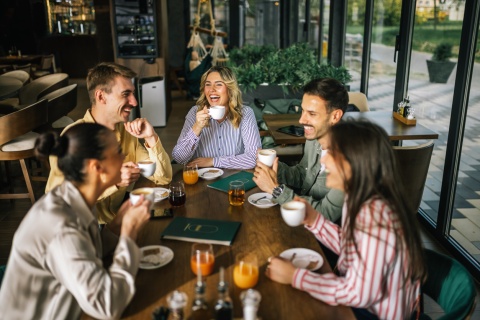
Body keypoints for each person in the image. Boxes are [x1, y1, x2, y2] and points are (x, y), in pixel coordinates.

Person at [266, 121, 426, 320]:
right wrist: (314, 219)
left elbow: (359, 294)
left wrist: (296, 277)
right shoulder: (360, 195)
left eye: (331, 152)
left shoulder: (376, 215)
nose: (324, 161)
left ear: (353, 162)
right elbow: (355, 245)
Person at [0, 123, 151, 319]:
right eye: (118, 152)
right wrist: (128, 233)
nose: (124, 157)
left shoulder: (74, 196)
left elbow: (82, 249)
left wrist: (115, 227)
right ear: (97, 167)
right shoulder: (61, 225)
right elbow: (108, 306)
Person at [46, 62, 172, 224]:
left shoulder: (126, 131)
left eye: (133, 94)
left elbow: (163, 178)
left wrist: (151, 137)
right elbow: (60, 203)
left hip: (120, 218)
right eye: (125, 94)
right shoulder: (73, 139)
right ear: (101, 96)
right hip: (86, 229)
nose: (134, 102)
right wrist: (114, 181)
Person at [253, 78, 348, 222]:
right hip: (300, 219)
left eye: (312, 114)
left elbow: (326, 214)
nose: (301, 120)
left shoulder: (351, 159)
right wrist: (275, 169)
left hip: (327, 236)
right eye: (303, 111)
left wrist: (275, 189)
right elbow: (303, 175)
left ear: (335, 116)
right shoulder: (314, 138)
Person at [172, 66, 262, 169]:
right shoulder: (195, 113)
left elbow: (253, 158)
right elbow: (179, 158)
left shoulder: (245, 113)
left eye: (218, 84)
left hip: (233, 179)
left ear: (230, 89)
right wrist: (197, 127)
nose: (212, 90)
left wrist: (213, 161)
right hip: (201, 178)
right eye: (208, 85)